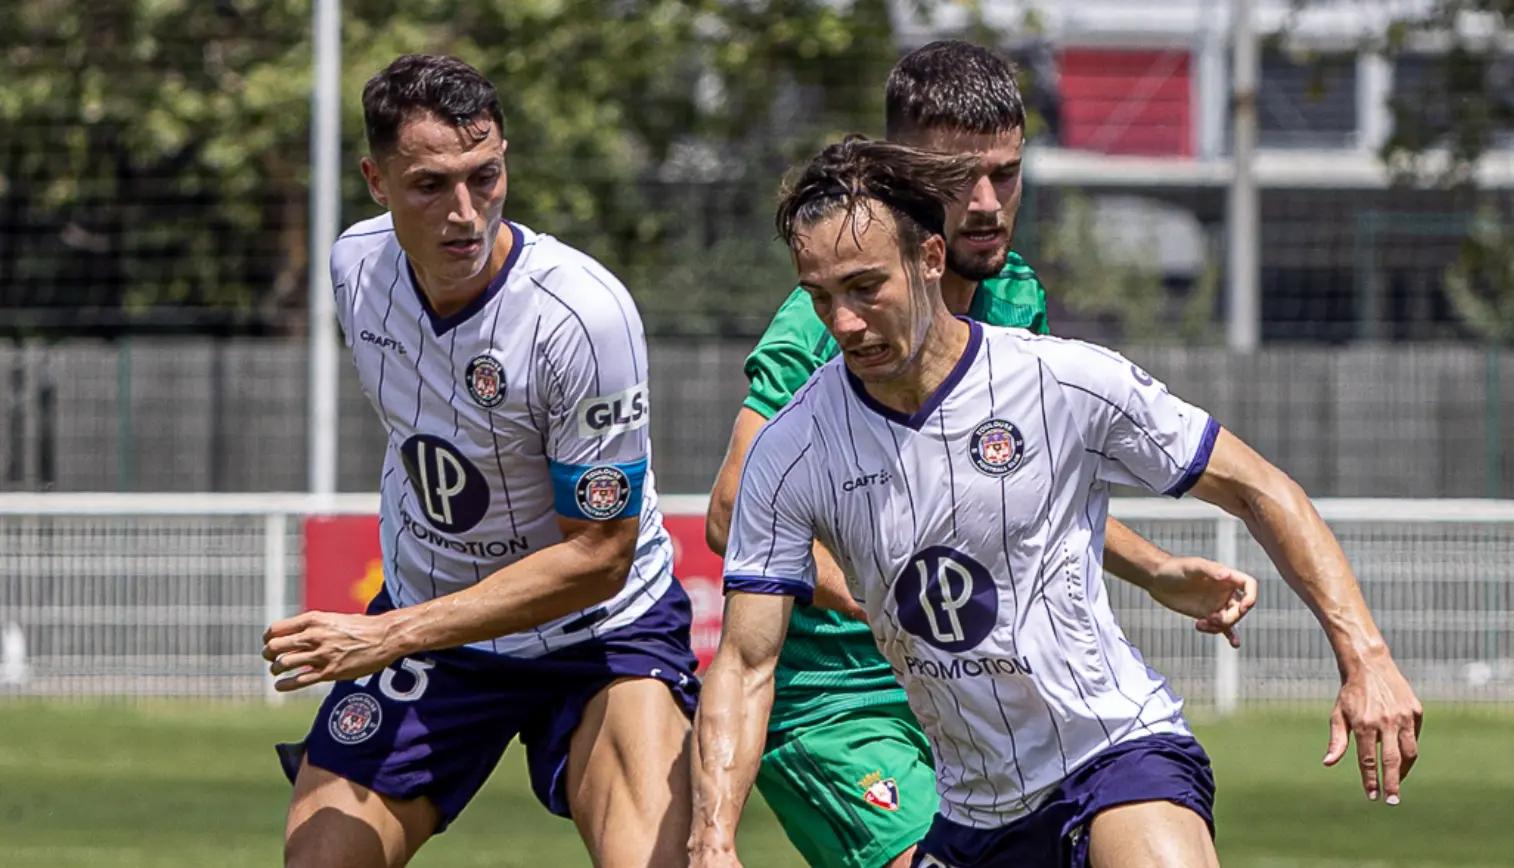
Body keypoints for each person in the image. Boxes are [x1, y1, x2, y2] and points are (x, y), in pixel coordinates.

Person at [691, 136, 1423, 868]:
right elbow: (747, 663)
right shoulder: (793, 449)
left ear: (931, 260)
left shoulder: (1060, 383)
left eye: (865, 287)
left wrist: (1367, 659)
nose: (843, 322)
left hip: (1113, 750)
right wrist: (714, 839)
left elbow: (1260, 487)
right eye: (822, 297)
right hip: (972, 813)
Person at [703, 40, 1257, 868]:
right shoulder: (817, 326)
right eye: (960, 179)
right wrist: (881, 582)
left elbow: (1002, 483)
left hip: (974, 694)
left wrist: (1153, 570)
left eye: (1006, 172)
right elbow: (728, 509)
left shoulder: (1014, 295)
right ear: (903, 182)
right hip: (842, 700)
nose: (988, 203)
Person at [260, 54, 697, 868]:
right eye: (431, 185)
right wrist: (408, 627)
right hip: (435, 633)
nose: (466, 213)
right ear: (376, 179)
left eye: (485, 176)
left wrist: (387, 632)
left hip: (596, 633)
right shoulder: (355, 266)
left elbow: (600, 558)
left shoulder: (582, 317)